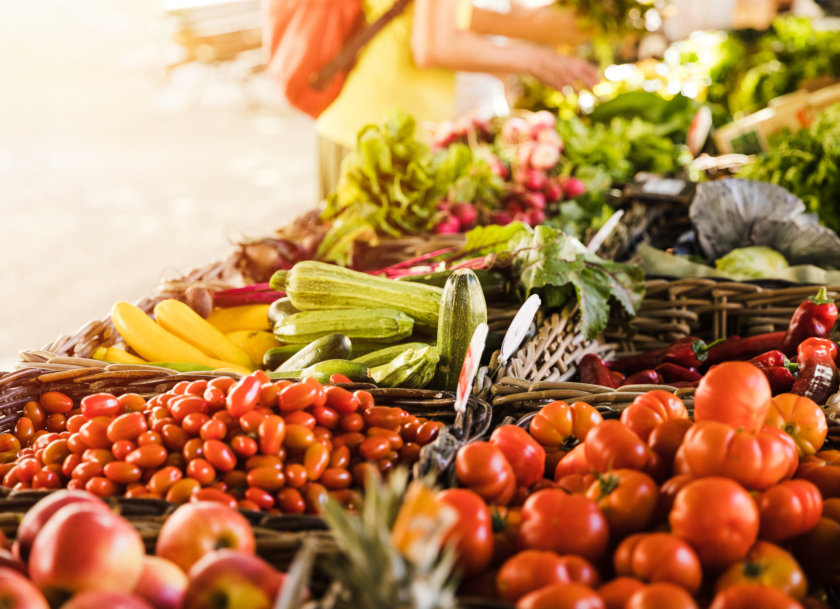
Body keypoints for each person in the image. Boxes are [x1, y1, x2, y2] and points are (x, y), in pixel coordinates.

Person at [314, 0, 599, 200]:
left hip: (412, 136)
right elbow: (435, 45)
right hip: (375, 139)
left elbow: (479, 14)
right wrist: (537, 61)